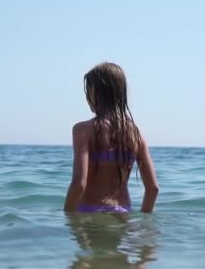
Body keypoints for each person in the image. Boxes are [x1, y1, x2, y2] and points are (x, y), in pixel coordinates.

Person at [64, 62, 159, 213]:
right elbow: (153, 188)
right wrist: (144, 222)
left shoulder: (82, 130)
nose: (86, 96)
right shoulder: (136, 133)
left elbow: (79, 184)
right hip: (123, 214)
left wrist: (68, 218)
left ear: (97, 93)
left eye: (88, 90)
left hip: (89, 213)